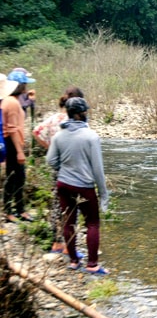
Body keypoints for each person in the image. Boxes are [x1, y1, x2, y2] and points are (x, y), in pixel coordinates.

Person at [46, 97, 110, 274]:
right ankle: (92, 265)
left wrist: (64, 169)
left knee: (69, 222)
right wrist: (103, 193)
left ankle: (74, 261)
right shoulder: (91, 136)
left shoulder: (59, 135)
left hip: (64, 185)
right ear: (82, 114)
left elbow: (50, 160)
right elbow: (98, 169)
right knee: (92, 224)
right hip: (84, 187)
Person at [32, 86, 85, 253]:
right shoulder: (77, 121)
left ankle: (56, 242)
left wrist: (50, 148)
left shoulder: (54, 118)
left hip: (57, 167)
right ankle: (68, 246)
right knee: (71, 207)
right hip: (73, 167)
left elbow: (36, 131)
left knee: (57, 203)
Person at [2, 71, 34, 223]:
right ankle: (12, 210)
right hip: (13, 144)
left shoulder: (10, 100)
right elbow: (13, 128)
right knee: (16, 177)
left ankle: (17, 209)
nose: (26, 87)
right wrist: (20, 152)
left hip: (12, 143)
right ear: (19, 86)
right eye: (24, 84)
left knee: (16, 177)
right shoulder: (12, 103)